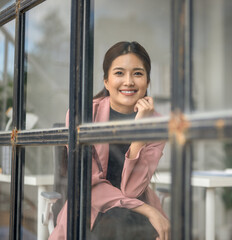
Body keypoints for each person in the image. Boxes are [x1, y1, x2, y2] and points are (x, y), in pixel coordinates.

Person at [49, 41, 170, 240]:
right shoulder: (84, 115)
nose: (129, 81)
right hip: (93, 210)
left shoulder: (157, 123)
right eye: (119, 73)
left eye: (138, 73)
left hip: (134, 214)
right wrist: (148, 211)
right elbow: (90, 186)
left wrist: (139, 131)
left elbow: (132, 190)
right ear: (106, 81)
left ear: (148, 82)